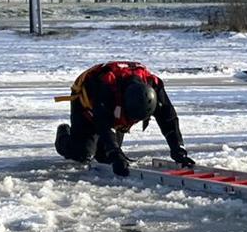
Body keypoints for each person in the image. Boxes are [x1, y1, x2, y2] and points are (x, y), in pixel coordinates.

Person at [54, 61, 192, 177]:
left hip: (114, 108)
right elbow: (103, 123)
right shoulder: (106, 87)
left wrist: (178, 149)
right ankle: (63, 134)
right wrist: (115, 153)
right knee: (82, 154)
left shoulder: (154, 86)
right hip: (86, 102)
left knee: (105, 157)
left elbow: (169, 120)